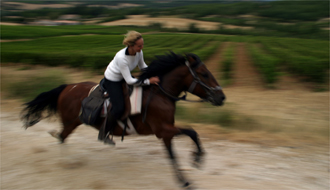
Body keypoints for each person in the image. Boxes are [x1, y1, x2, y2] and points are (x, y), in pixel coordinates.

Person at [99, 31, 160, 145]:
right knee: (118, 108)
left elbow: (143, 67)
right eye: (139, 46)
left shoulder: (139, 52)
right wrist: (149, 81)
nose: (141, 48)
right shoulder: (121, 58)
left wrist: (155, 73)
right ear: (131, 46)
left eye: (142, 45)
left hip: (124, 75)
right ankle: (103, 133)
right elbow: (130, 81)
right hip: (113, 79)